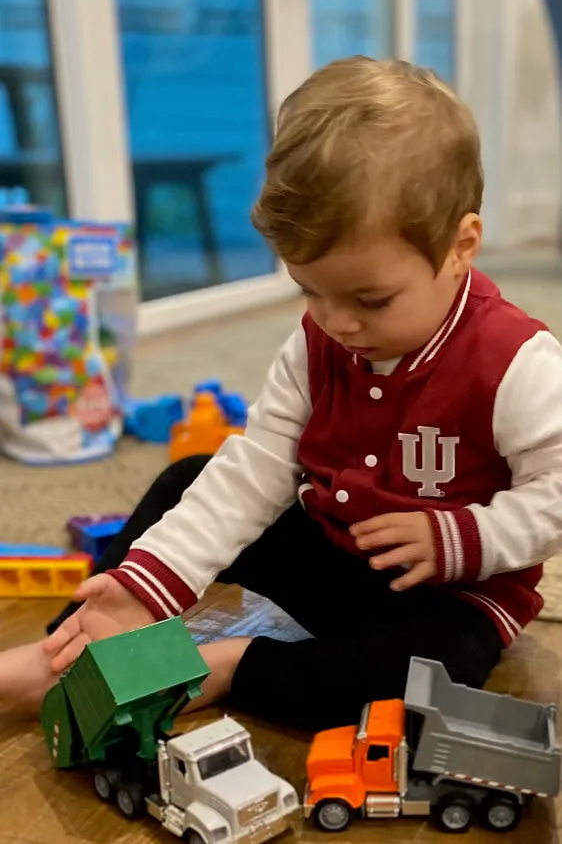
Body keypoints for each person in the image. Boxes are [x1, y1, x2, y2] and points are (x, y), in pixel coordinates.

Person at [3, 56, 562, 731]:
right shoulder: (318, 340)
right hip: (330, 554)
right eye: (310, 290)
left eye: (371, 298)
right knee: (192, 477)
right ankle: (76, 647)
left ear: (460, 246)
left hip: (445, 596)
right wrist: (150, 587)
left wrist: (463, 537)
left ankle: (235, 666)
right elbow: (258, 470)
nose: (337, 322)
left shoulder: (519, 363)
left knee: (421, 685)